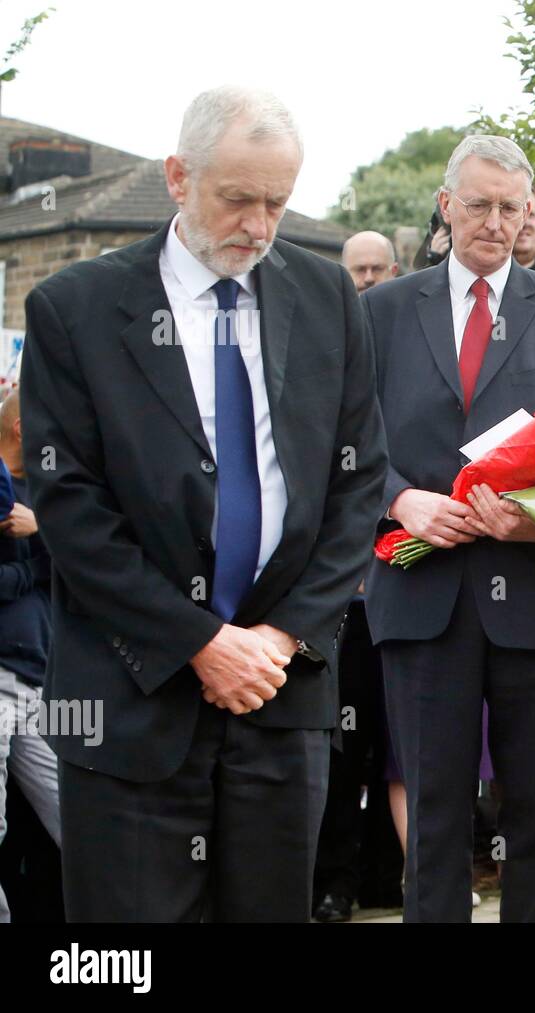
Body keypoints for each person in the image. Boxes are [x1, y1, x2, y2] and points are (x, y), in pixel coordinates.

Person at [21, 86, 388, 921]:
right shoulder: (73, 309)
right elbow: (70, 507)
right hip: (128, 703)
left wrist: (280, 635)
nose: (258, 226)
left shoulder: (327, 298)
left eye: (278, 203)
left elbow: (359, 480)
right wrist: (197, 641)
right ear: (178, 176)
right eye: (237, 199)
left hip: (278, 694)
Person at [364, 134, 535, 923]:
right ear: (445, 207)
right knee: (434, 817)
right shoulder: (379, 312)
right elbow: (340, 445)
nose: (496, 222)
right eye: (480, 205)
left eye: (512, 207)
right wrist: (402, 502)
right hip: (423, 591)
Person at [313, 239, 405, 922]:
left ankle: (385, 875)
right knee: (343, 751)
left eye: (378, 269)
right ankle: (335, 884)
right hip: (342, 601)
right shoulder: (329, 356)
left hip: (404, 595)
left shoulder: (407, 355)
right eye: (358, 270)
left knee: (399, 753)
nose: (368, 279)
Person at [0, 391, 57, 924]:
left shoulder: (49, 498)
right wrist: (28, 572)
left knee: (76, 811)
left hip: (41, 678)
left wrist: (42, 530)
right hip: (3, 675)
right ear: (20, 427)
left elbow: (78, 570)